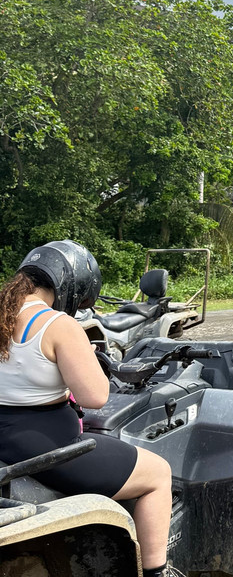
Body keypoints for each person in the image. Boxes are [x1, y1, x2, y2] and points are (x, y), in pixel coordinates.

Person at [0, 241, 178, 577]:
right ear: (70, 286)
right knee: (158, 474)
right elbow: (94, 396)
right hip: (44, 445)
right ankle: (157, 571)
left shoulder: (4, 314)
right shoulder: (57, 325)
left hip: (3, 439)